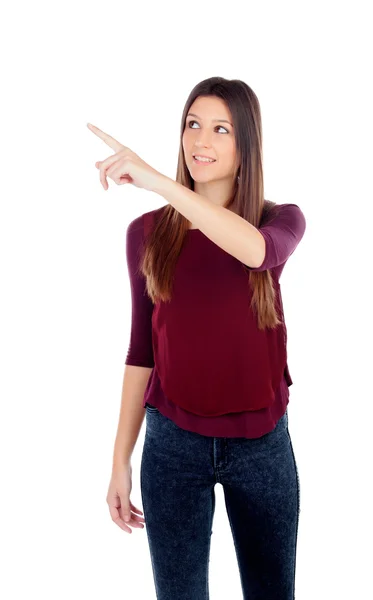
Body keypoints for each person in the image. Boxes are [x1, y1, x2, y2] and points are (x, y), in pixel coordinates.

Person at [107, 76, 306, 599]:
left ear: (247, 146)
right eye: (193, 125)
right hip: (172, 445)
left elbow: (256, 252)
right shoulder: (147, 235)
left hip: (262, 447)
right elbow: (140, 352)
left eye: (221, 129)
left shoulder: (280, 221)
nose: (201, 141)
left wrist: (158, 183)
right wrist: (119, 462)